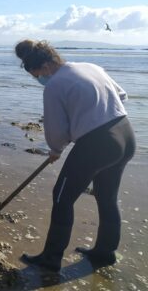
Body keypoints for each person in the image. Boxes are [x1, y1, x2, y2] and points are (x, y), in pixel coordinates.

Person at [15, 39, 136, 272]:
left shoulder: (54, 86)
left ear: (45, 66)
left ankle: (50, 259)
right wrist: (88, 117)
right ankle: (106, 252)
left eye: (36, 74)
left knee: (61, 197)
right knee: (106, 195)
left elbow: (56, 130)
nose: (39, 80)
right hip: (126, 134)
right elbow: (121, 96)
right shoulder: (90, 67)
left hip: (98, 143)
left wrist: (56, 149)